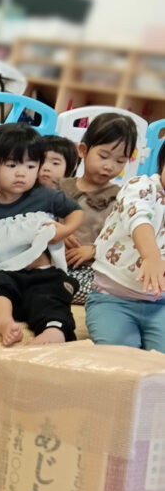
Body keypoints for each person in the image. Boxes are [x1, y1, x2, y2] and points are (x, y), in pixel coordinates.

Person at [0, 125, 84, 346]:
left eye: (31, 166)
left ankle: (54, 329)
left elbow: (76, 212)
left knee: (53, 295)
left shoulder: (45, 196)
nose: (21, 173)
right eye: (12, 165)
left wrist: (65, 231)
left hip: (42, 273)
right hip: (4, 274)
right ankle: (5, 324)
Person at [86, 141, 165, 351]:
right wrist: (151, 256)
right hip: (112, 299)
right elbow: (138, 217)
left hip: (160, 306)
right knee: (120, 356)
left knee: (158, 367)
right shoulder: (141, 185)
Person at [56, 113, 137, 304]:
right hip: (52, 262)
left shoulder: (122, 197)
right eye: (103, 156)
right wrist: (58, 230)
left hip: (91, 269)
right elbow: (39, 218)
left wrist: (94, 250)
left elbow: (125, 238)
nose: (109, 166)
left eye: (120, 161)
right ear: (83, 150)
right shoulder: (60, 187)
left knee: (99, 288)